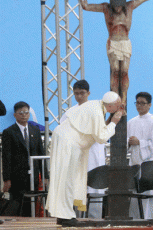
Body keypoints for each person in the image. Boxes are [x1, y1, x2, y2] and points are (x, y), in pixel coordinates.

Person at [77, 0, 153, 108]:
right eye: (115, 6)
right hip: (113, 43)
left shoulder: (129, 7)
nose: (117, 8)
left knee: (124, 72)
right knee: (115, 70)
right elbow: (85, 6)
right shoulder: (106, 8)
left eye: (119, 6)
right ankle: (115, 98)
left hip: (125, 42)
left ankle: (123, 99)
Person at [46, 91, 123, 227]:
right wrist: (114, 123)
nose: (119, 108)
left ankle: (63, 214)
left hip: (66, 141)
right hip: (68, 143)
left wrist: (109, 122)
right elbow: (101, 137)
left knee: (65, 179)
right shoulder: (96, 110)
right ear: (111, 106)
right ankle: (67, 216)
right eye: (118, 105)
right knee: (67, 179)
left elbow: (96, 129)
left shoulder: (96, 106)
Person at [60, 79, 106, 218]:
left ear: (88, 93)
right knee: (77, 190)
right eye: (76, 94)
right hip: (77, 157)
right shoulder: (69, 113)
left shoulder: (97, 110)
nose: (79, 96)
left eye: (82, 93)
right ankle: (76, 219)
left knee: (95, 191)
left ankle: (94, 220)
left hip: (94, 155)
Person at [2, 101, 49, 216]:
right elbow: (6, 157)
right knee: (17, 206)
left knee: (31, 205)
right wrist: (6, 179)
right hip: (16, 176)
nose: (24, 115)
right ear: (15, 115)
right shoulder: (8, 132)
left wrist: (45, 176)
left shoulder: (35, 130)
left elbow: (41, 154)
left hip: (33, 176)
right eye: (21, 113)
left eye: (26, 112)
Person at [127, 92, 153, 220]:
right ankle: (136, 220)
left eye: (142, 103)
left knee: (149, 193)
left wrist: (140, 142)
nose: (139, 105)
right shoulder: (131, 122)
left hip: (150, 165)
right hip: (135, 161)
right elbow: (126, 140)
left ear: (149, 105)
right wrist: (129, 142)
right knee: (135, 194)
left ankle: (152, 220)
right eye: (137, 102)